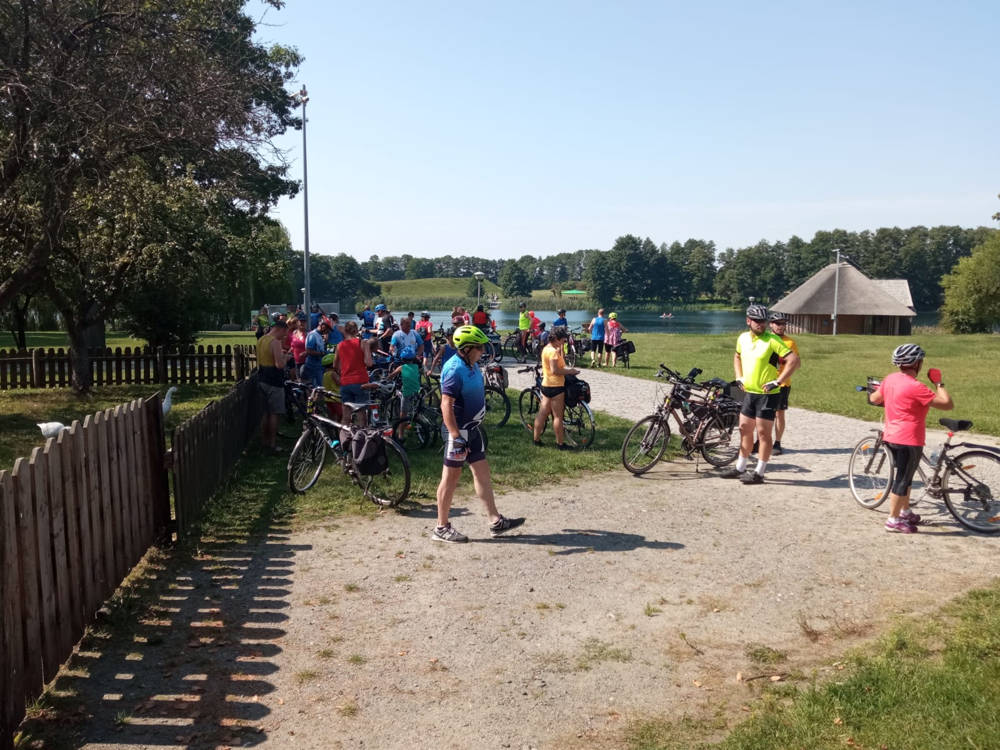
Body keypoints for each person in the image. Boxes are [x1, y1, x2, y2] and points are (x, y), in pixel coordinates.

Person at [433, 325, 525, 543]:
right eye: (479, 347)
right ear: (466, 349)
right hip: (459, 431)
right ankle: (441, 527)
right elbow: (446, 404)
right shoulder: (454, 369)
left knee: (482, 473)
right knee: (451, 478)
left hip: (472, 430)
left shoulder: (471, 365)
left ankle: (495, 520)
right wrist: (455, 435)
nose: (482, 351)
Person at [869, 344, 953, 533]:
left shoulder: (890, 379)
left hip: (891, 436)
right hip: (910, 439)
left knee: (905, 476)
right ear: (917, 363)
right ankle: (893, 520)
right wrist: (939, 383)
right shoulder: (917, 387)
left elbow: (874, 398)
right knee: (902, 480)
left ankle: (905, 511)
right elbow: (947, 404)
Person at [721, 304, 800, 485]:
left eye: (763, 321)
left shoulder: (772, 340)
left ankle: (759, 472)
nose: (761, 324)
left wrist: (778, 381)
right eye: (757, 321)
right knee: (744, 429)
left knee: (764, 433)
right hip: (749, 392)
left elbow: (793, 360)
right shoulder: (742, 338)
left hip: (768, 395)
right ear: (748, 321)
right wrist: (738, 376)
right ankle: (740, 467)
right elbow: (737, 356)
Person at [533, 326, 579, 450]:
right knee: (558, 416)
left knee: (542, 414)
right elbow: (555, 370)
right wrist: (571, 371)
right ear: (557, 339)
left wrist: (560, 350)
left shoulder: (546, 349)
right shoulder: (553, 352)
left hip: (546, 385)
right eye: (563, 340)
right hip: (556, 386)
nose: (564, 342)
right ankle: (560, 443)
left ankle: (536, 439)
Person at [763, 311, 799, 455]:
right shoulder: (764, 339)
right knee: (762, 414)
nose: (780, 326)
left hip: (782, 384)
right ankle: (761, 441)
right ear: (771, 324)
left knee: (779, 413)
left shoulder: (790, 342)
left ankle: (777, 443)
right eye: (777, 323)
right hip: (764, 382)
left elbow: (797, 363)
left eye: (783, 324)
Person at [255, 319, 288, 454]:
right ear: (280, 329)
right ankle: (273, 444)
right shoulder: (275, 342)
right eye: (284, 333)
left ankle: (264, 441)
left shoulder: (261, 340)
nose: (284, 336)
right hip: (274, 381)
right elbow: (279, 365)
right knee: (275, 413)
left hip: (262, 378)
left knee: (265, 413)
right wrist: (286, 358)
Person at [333, 321, 373, 426]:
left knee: (346, 416)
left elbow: (335, 365)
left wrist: (344, 370)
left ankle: (344, 435)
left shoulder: (339, 345)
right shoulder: (362, 343)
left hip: (345, 382)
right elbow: (369, 363)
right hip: (360, 382)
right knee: (361, 415)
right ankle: (361, 435)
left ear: (345, 331)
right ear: (356, 331)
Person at [388, 346, 420, 441]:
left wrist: (387, 377)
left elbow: (391, 376)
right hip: (416, 391)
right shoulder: (416, 367)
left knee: (403, 414)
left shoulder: (401, 367)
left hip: (407, 392)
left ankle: (400, 435)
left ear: (402, 359)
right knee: (414, 409)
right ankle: (412, 424)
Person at [301, 317, 330, 387]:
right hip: (313, 367)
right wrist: (321, 353)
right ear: (323, 326)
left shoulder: (319, 335)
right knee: (316, 387)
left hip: (319, 366)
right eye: (328, 329)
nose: (328, 331)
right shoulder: (313, 335)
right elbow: (308, 350)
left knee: (320, 387)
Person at [320, 352, 343, 422]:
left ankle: (332, 426)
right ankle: (340, 425)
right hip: (335, 398)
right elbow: (339, 382)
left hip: (327, 398)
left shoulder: (325, 374)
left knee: (332, 414)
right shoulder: (333, 374)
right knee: (341, 414)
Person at [288, 312, 307, 378]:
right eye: (300, 321)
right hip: (296, 362)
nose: (302, 323)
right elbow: (293, 346)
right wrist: (288, 353)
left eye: (304, 321)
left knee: (303, 378)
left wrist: (306, 352)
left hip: (305, 362)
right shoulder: (294, 333)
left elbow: (313, 349)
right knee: (298, 380)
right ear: (296, 322)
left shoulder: (308, 334)